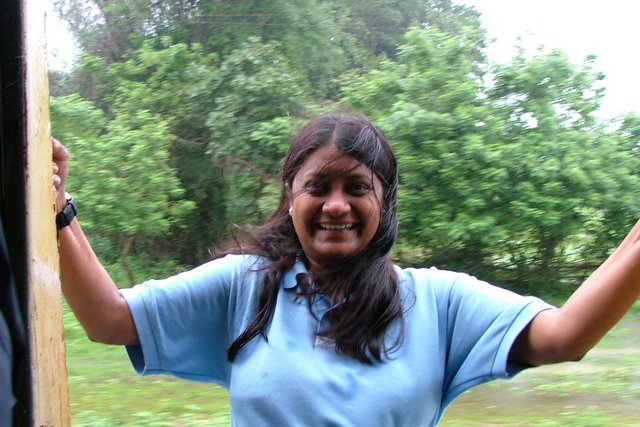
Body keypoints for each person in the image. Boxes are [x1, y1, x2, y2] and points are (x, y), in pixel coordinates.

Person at [53, 113, 640, 426]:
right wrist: (60, 212)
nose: (337, 204)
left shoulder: (440, 302)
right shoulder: (245, 286)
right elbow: (109, 319)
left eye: (358, 187)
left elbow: (565, 337)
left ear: (383, 202)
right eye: (319, 186)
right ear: (291, 197)